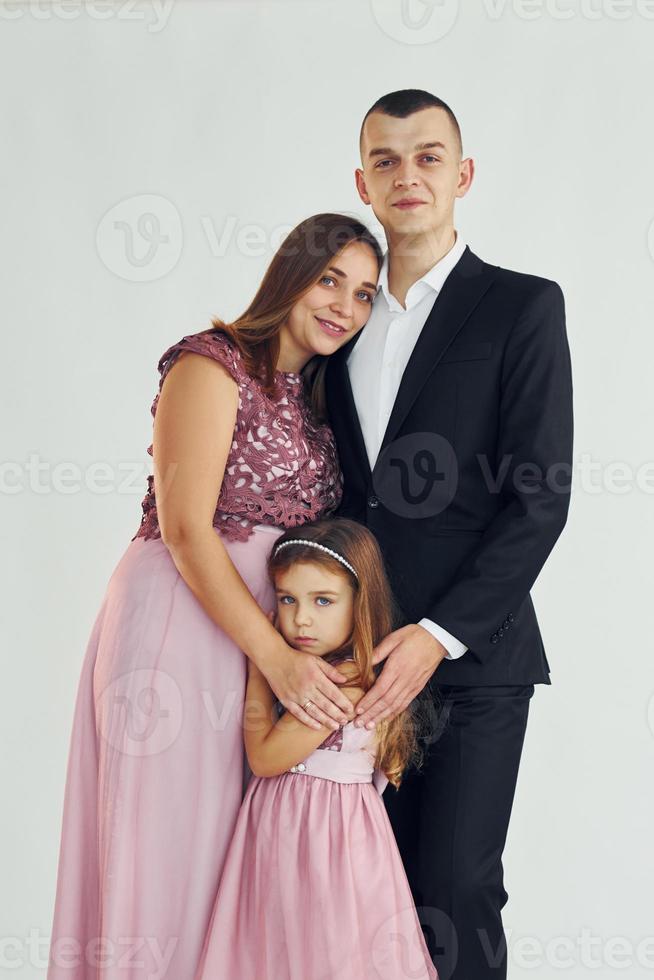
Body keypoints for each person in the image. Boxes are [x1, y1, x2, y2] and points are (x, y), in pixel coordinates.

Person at [46, 214, 383, 980]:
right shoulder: (211, 363)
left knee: (239, 867)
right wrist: (276, 657)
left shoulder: (321, 401)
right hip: (184, 621)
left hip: (265, 642)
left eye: (364, 294)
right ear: (289, 273)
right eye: (330, 279)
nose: (344, 306)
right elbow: (185, 525)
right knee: (166, 854)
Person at [325, 90, 574, 980]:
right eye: (386, 160)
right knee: (360, 897)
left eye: (429, 156)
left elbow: (540, 500)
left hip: (473, 664)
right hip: (348, 668)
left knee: (455, 896)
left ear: (462, 175)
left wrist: (434, 638)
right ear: (363, 181)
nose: (408, 175)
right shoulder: (336, 324)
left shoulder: (521, 308)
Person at [194, 517, 439, 980]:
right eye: (288, 599)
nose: (301, 618)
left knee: (315, 950)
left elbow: (264, 758)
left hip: (315, 839)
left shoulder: (339, 690)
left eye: (322, 601)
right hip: (314, 836)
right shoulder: (345, 676)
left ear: (360, 605)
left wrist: (258, 667)